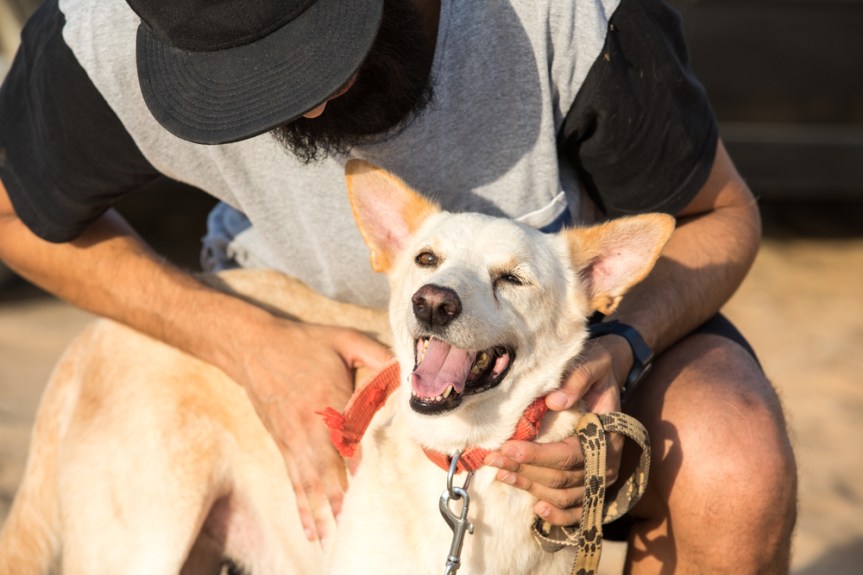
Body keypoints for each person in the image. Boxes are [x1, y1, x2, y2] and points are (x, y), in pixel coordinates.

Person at [0, 0, 796, 571]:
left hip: (562, 340)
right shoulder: (98, 41)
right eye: (236, 85)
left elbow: (722, 214)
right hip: (273, 326)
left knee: (731, 455)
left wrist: (621, 346)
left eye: (308, 57)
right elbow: (10, 214)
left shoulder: (570, 16)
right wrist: (250, 345)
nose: (297, 103)